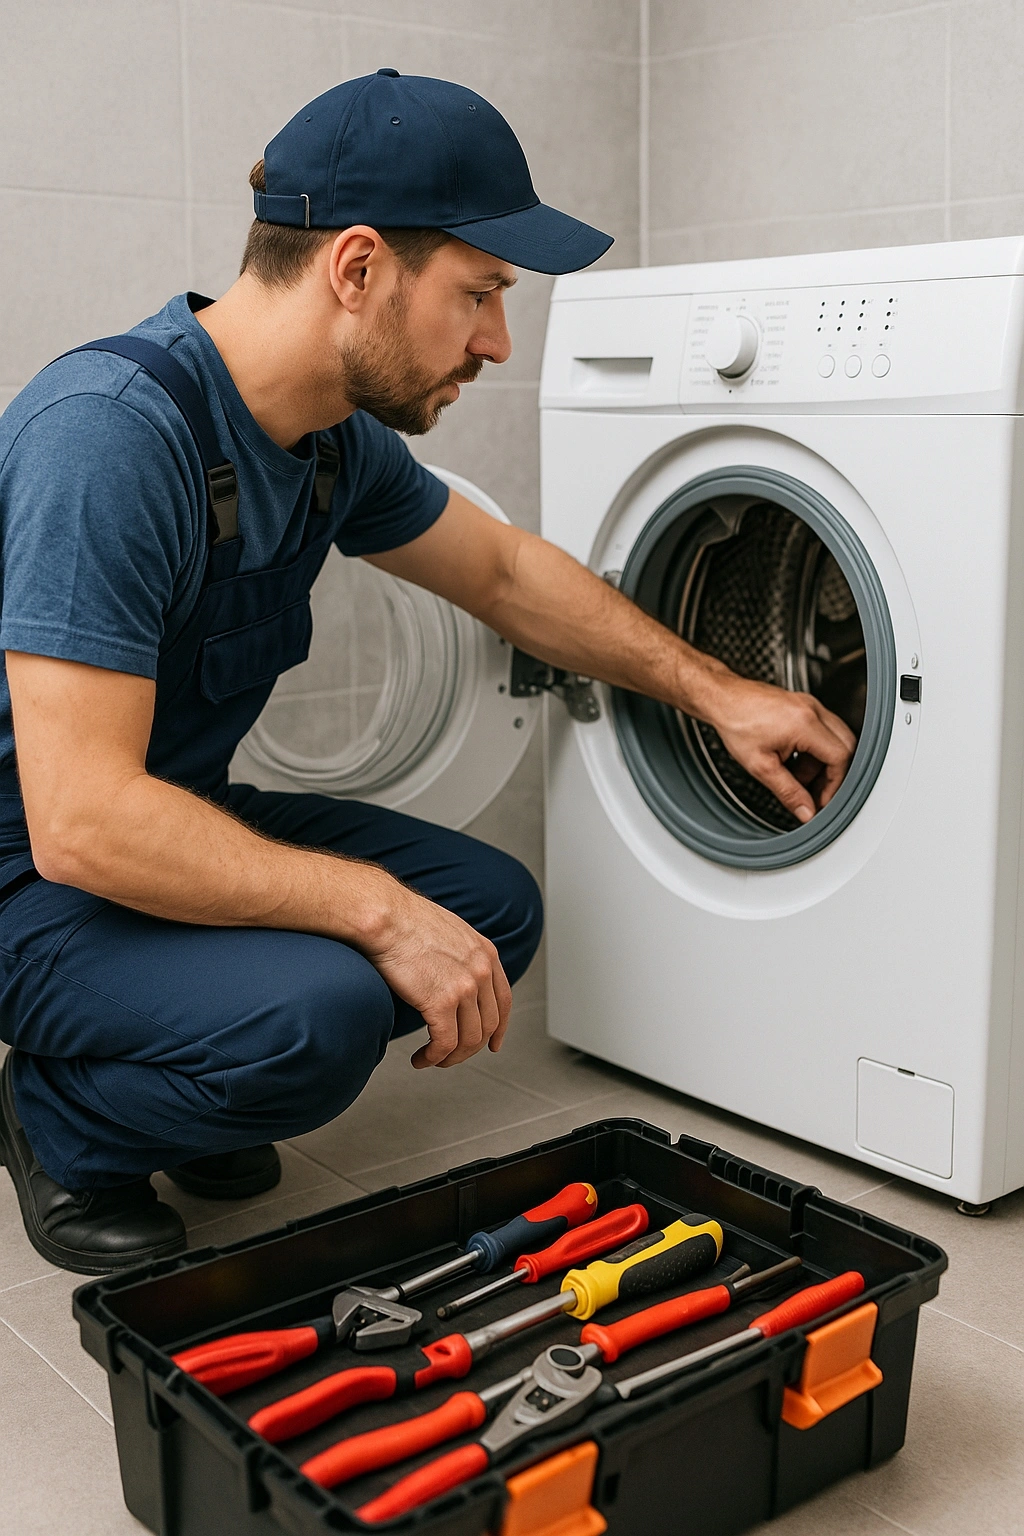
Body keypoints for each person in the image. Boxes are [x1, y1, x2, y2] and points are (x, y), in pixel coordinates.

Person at [0, 71, 856, 1274]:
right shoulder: (109, 438)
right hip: (31, 874)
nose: (497, 342)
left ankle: (179, 1084)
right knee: (320, 1014)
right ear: (357, 267)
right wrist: (378, 911)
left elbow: (502, 573)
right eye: (481, 293)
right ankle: (61, 1117)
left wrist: (720, 692)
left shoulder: (328, 442)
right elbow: (84, 824)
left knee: (491, 910)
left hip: (163, 823)